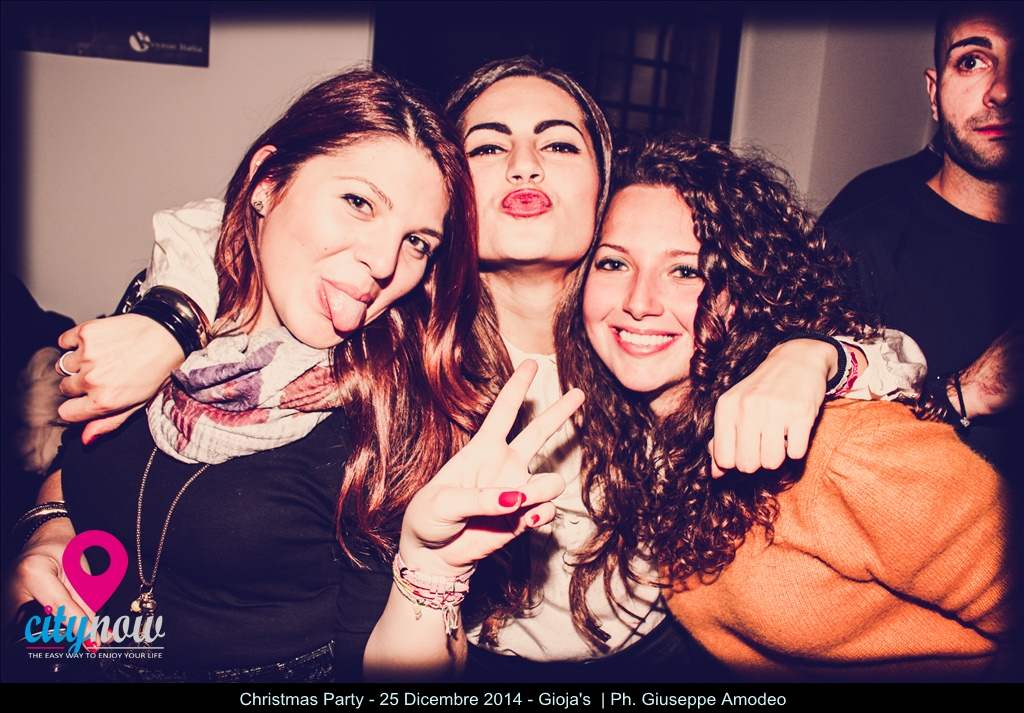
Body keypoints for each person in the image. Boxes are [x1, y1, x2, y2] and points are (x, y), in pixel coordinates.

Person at [51, 59, 924, 680]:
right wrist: (170, 318)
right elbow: (244, 226)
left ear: (603, 189)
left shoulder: (654, 329)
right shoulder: (383, 329)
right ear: (447, 197)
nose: (525, 164)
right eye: (488, 145)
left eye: (560, 145)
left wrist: (813, 356)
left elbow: (901, 356)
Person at [7, 68, 502, 682]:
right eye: (358, 203)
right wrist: (46, 530)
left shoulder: (391, 408)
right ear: (268, 183)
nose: (383, 261)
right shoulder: (162, 303)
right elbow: (75, 461)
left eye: (418, 242)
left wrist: (433, 572)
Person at [574, 133, 1009, 680]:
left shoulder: (843, 448)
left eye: (686, 271)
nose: (639, 302)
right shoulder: (643, 434)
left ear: (745, 288)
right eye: (613, 263)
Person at [822, 4, 1021, 476]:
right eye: (971, 61)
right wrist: (965, 393)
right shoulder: (857, 246)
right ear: (934, 93)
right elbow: (823, 463)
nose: (1003, 90)